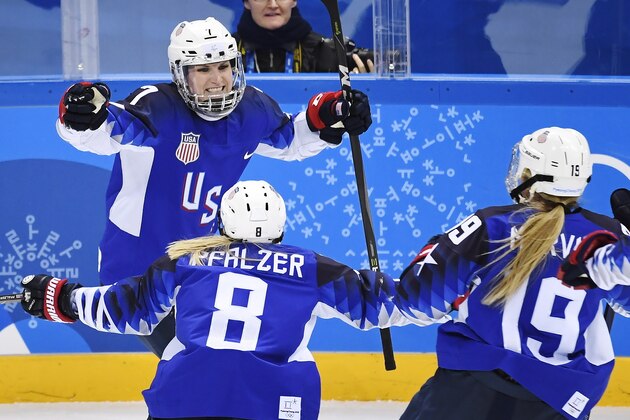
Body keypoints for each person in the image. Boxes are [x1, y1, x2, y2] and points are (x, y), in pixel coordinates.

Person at [56, 16, 373, 357]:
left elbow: (292, 138)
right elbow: (105, 132)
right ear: (181, 74)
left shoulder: (252, 108)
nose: (218, 80)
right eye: (203, 69)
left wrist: (334, 111)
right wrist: (82, 118)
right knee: (201, 361)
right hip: (138, 270)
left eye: (224, 66)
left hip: (199, 266)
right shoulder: (157, 106)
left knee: (219, 362)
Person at [18, 180, 402, 420]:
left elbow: (128, 309)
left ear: (221, 224)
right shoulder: (312, 268)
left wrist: (63, 298)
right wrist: (450, 285)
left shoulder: (187, 259)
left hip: (186, 397)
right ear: (281, 229)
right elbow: (387, 301)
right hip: (276, 401)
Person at [393, 127, 627, 419]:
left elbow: (415, 300)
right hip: (556, 401)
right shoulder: (607, 236)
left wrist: (434, 249)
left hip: (468, 391)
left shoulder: (492, 225)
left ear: (531, 175)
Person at [234, 0, 374, 73]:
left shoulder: (324, 51)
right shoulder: (228, 49)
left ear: (294, 1)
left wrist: (362, 86)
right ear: (246, 2)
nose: (273, 4)